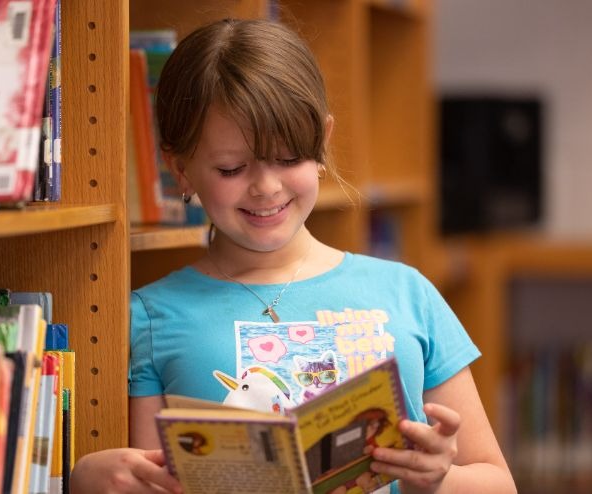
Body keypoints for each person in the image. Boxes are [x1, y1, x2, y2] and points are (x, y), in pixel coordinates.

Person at [71, 18, 517, 494]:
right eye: (232, 168)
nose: (266, 187)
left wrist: (436, 480)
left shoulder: (407, 292)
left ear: (321, 143)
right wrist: (86, 479)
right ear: (180, 169)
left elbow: (497, 482)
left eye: (288, 159)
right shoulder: (150, 318)